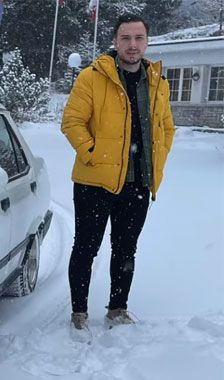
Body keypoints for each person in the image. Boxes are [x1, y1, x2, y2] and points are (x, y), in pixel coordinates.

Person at [61, 13, 176, 342]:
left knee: (126, 250)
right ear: (115, 41)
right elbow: (72, 123)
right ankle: (79, 312)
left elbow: (166, 128)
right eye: (126, 38)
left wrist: (158, 159)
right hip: (94, 183)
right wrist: (96, 156)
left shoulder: (156, 82)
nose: (132, 45)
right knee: (86, 248)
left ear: (147, 42)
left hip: (138, 182)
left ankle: (117, 308)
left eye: (139, 38)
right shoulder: (92, 77)